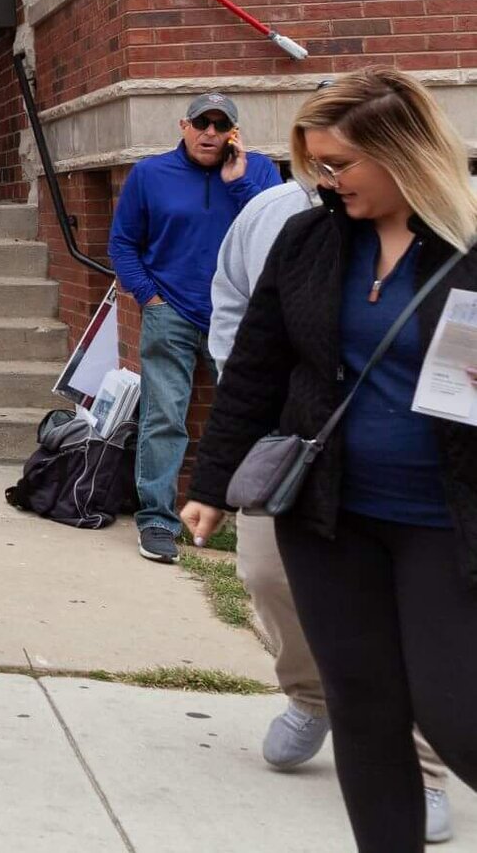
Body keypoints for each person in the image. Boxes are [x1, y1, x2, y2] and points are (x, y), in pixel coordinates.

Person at [187, 68, 477, 852]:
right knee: (363, 707)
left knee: (457, 715)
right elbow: (257, 365)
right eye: (316, 162)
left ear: (405, 153)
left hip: (447, 520)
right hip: (329, 516)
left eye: (341, 164)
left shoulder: (469, 244)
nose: (326, 180)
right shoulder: (310, 240)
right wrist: (212, 481)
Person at [111, 92, 273, 564]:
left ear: (234, 133)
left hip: (238, 315)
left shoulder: (260, 171)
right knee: (164, 417)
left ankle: (252, 522)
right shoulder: (149, 175)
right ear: (184, 125)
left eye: (221, 126)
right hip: (172, 312)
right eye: (202, 123)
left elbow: (272, 230)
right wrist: (151, 299)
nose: (210, 134)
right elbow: (123, 243)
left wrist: (238, 182)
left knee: (251, 417)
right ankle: (157, 522)